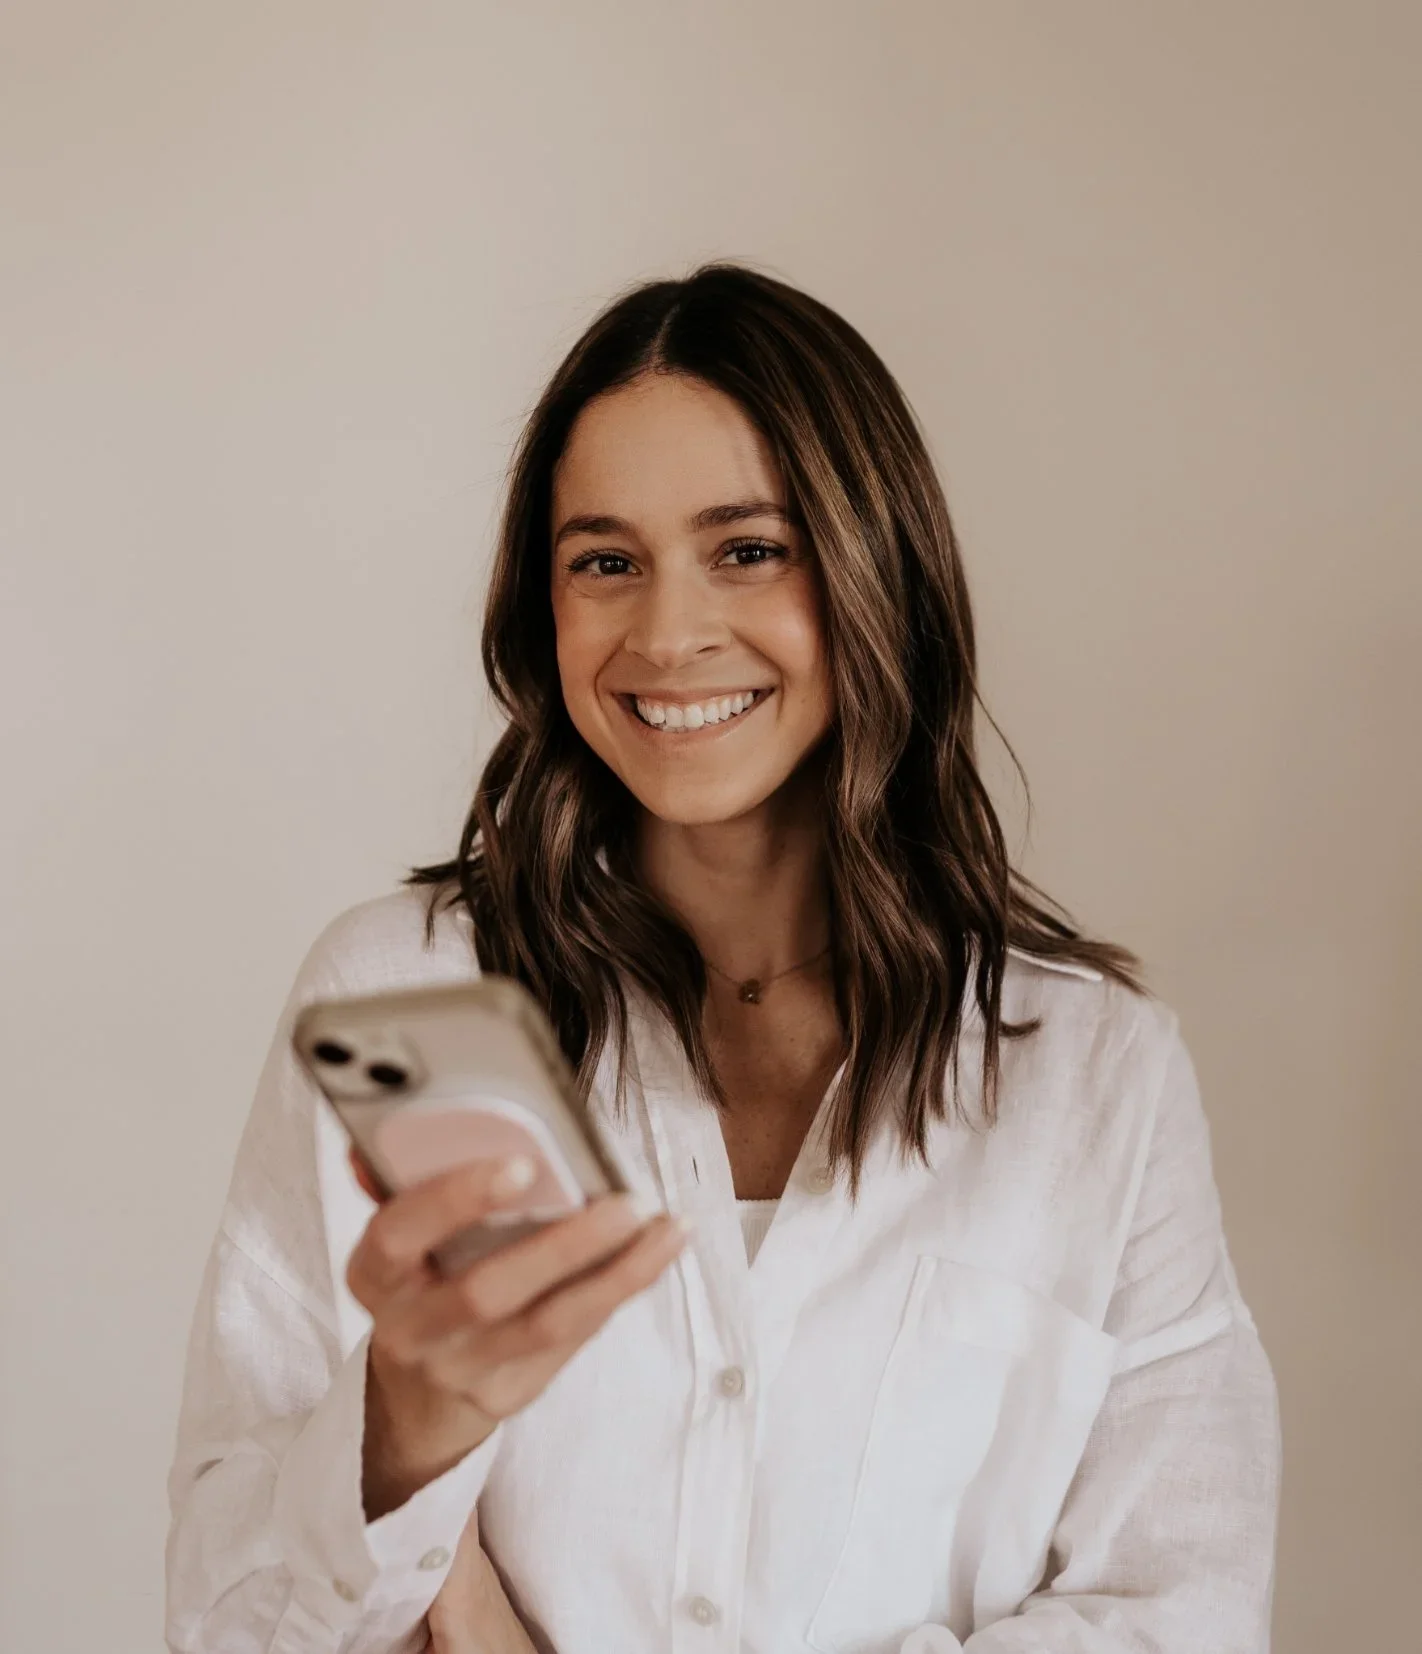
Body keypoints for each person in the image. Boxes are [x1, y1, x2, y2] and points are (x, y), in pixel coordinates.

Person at [164, 263, 1281, 1654]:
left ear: (877, 571)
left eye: (747, 547)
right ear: (541, 604)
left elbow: (1183, 1609)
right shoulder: (407, 996)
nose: (665, 632)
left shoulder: (1089, 1069)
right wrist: (404, 1432)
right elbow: (223, 1612)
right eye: (603, 560)